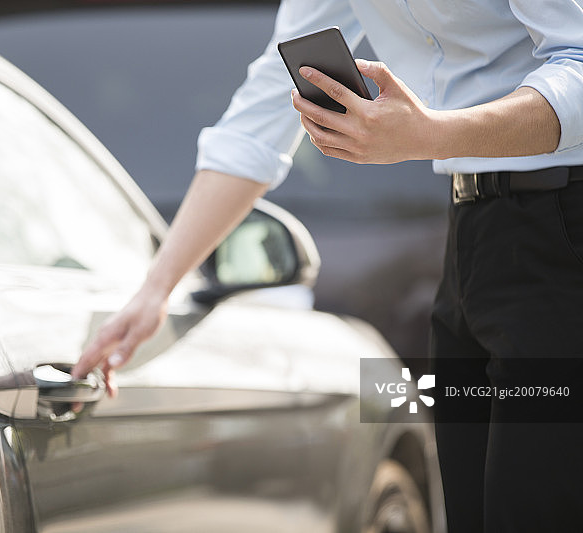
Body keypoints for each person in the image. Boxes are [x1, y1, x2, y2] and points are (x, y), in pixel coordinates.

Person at [73, 1, 583, 531]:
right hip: (473, 234)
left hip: (564, 227)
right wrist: (156, 290)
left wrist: (431, 133)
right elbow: (260, 119)